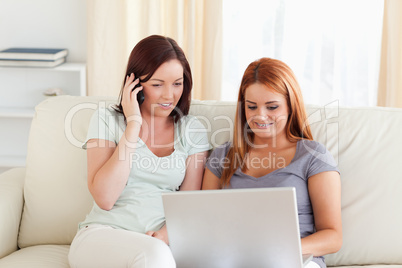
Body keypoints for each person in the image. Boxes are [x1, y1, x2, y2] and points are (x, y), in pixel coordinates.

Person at [68, 35, 211, 268]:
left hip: (160, 243)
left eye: (177, 83)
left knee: (155, 255)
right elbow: (105, 198)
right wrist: (133, 124)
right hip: (103, 236)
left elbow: (189, 202)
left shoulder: (192, 130)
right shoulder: (106, 120)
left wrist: (165, 235)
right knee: (153, 256)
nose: (169, 95)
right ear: (134, 84)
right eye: (157, 84)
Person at [202, 58, 342, 268]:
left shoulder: (313, 155)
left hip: (295, 260)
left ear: (290, 105)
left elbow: (333, 237)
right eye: (252, 107)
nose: (260, 116)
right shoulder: (222, 156)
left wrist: (277, 250)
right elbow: (203, 222)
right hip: (238, 261)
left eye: (272, 107)